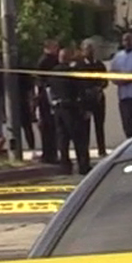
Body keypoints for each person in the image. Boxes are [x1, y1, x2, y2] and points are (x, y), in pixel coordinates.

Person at [47, 46, 92, 175]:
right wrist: (85, 108)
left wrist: (53, 105)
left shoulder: (53, 73)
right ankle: (83, 165)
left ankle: (65, 166)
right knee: (79, 139)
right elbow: (81, 91)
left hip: (58, 109)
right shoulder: (72, 73)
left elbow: (49, 90)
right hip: (72, 109)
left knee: (62, 139)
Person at [33, 38, 63, 166]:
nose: (57, 49)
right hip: (46, 98)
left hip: (46, 97)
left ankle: (50, 153)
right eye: (55, 46)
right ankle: (50, 154)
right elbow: (42, 81)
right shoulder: (47, 61)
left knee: (49, 128)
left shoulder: (48, 60)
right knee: (48, 127)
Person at [77, 42, 108, 158]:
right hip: (86, 100)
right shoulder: (79, 66)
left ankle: (102, 149)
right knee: (85, 127)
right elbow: (78, 83)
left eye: (91, 49)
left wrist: (99, 88)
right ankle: (86, 151)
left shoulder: (99, 65)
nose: (89, 52)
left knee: (99, 125)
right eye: (87, 50)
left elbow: (105, 81)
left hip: (98, 98)